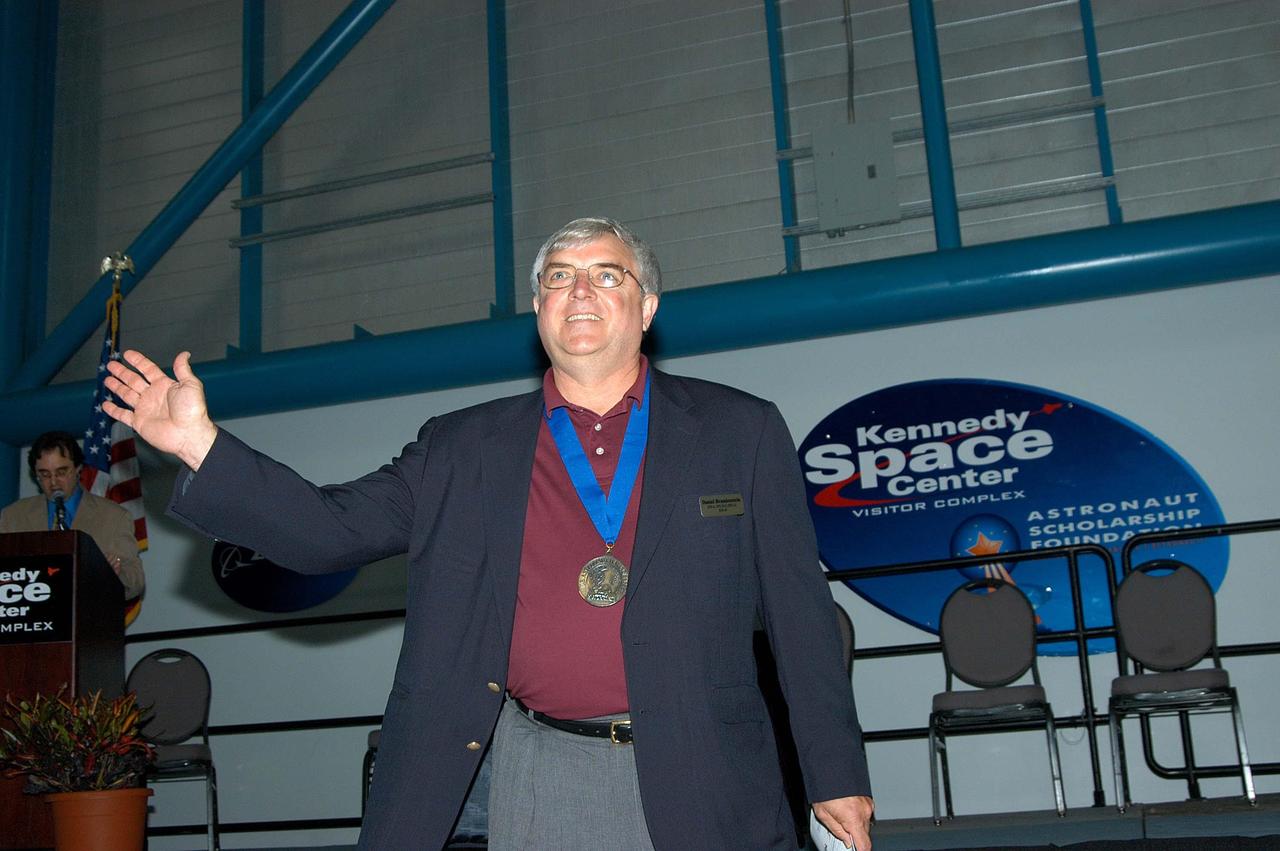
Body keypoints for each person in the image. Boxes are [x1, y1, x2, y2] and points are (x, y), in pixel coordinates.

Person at [104, 217, 874, 850]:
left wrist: (837, 770)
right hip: (542, 770)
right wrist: (200, 447)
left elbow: (801, 617)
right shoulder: (460, 446)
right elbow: (322, 531)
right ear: (539, 311)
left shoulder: (741, 430)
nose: (580, 289)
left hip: (710, 770)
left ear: (646, 308)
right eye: (558, 276)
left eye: (607, 274)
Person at [0, 430, 144, 600]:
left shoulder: (113, 516)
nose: (53, 482)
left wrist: (112, 575)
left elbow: (136, 582)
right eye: (45, 475)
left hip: (89, 618)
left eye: (61, 472)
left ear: (78, 469)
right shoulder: (12, 516)